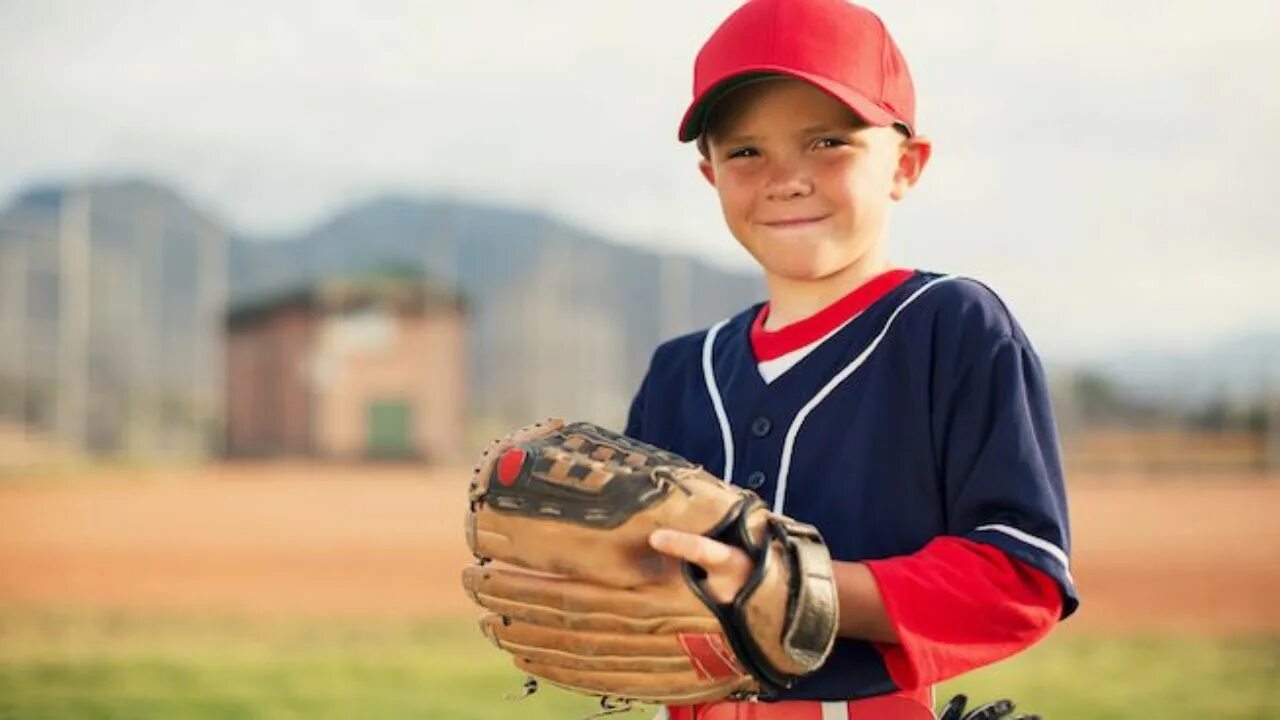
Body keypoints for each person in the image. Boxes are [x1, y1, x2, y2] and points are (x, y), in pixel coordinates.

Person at [624, 1, 1079, 718]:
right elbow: (634, 594)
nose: (786, 178)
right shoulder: (681, 371)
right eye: (746, 151)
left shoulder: (949, 328)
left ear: (906, 164)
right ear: (711, 174)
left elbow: (1018, 580)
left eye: (828, 141)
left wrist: (800, 589)